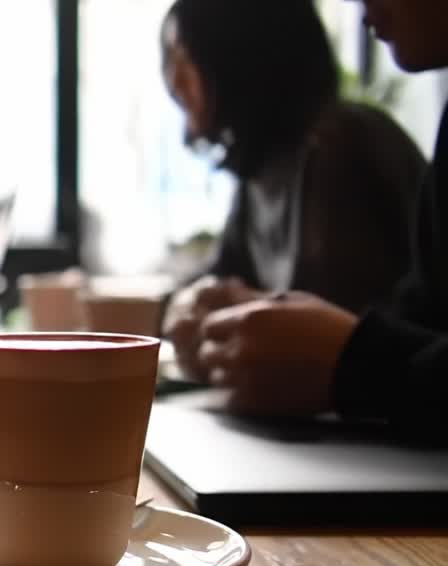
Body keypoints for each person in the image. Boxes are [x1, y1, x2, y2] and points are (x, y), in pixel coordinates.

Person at [190, 0, 448, 436]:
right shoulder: (260, 174)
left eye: (182, 68)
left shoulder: (345, 148)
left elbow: (372, 325)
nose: (362, 13)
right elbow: (419, 321)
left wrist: (358, 365)